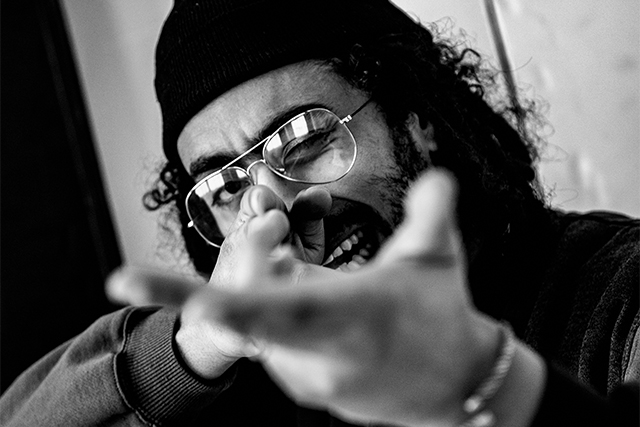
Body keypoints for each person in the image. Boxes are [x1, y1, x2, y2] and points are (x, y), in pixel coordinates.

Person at [1, 0, 638, 426]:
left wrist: (477, 381)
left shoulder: (617, 295)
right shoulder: (238, 377)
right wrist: (196, 345)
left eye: (304, 140)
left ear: (415, 118)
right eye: (224, 186)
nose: (274, 205)